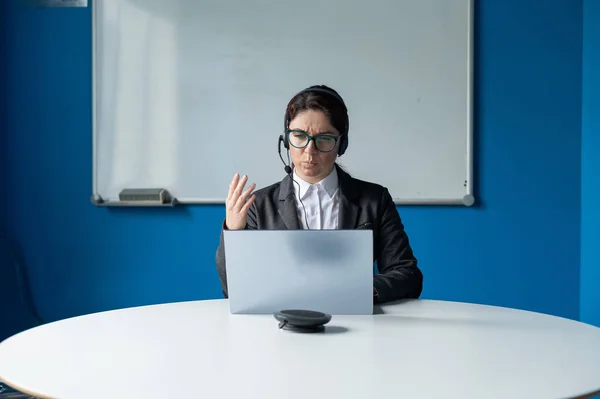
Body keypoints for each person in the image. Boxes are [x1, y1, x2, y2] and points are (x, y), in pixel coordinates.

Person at [215, 85, 423, 303]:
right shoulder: (259, 205)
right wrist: (233, 232)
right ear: (286, 140)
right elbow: (234, 289)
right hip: (280, 326)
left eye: (324, 139)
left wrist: (358, 290)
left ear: (341, 144)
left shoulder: (374, 200)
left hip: (356, 322)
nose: (309, 150)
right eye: (299, 136)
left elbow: (408, 276)